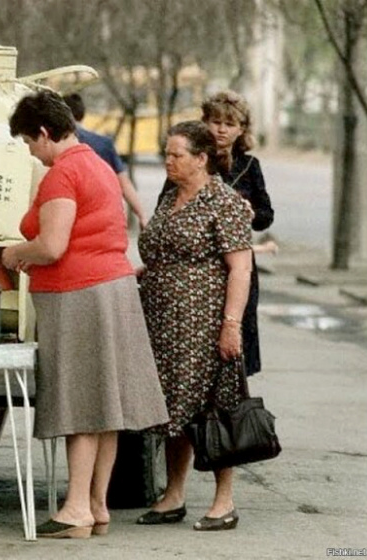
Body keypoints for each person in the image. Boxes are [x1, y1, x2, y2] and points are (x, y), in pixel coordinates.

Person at [1, 91, 169, 539]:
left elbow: (53, 245)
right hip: (113, 288)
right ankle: (96, 503)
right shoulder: (98, 164)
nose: (30, 152)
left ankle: (75, 507)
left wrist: (16, 253)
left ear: (43, 132)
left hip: (77, 294)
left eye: (28, 142)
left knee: (78, 404)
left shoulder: (62, 173)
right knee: (104, 404)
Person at [137, 120, 252, 531]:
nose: (168, 161)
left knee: (212, 408)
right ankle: (174, 493)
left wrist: (231, 325)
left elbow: (241, 268)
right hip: (162, 321)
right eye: (166, 154)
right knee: (173, 408)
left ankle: (224, 500)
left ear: (201, 159)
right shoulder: (170, 197)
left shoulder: (224, 202)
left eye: (176, 155)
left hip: (202, 322)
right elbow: (160, 253)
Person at [156, 90, 274, 376]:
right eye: (216, 122)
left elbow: (266, 216)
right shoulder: (190, 160)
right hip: (192, 270)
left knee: (233, 353)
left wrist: (249, 212)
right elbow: (163, 209)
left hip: (236, 265)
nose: (221, 130)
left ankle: (232, 398)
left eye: (229, 124)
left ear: (241, 129)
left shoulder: (250, 166)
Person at [62, 93, 149, 229]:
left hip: (67, 215)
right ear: (82, 114)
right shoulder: (104, 143)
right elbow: (124, 184)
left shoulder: (54, 142)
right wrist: (142, 215)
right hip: (100, 217)